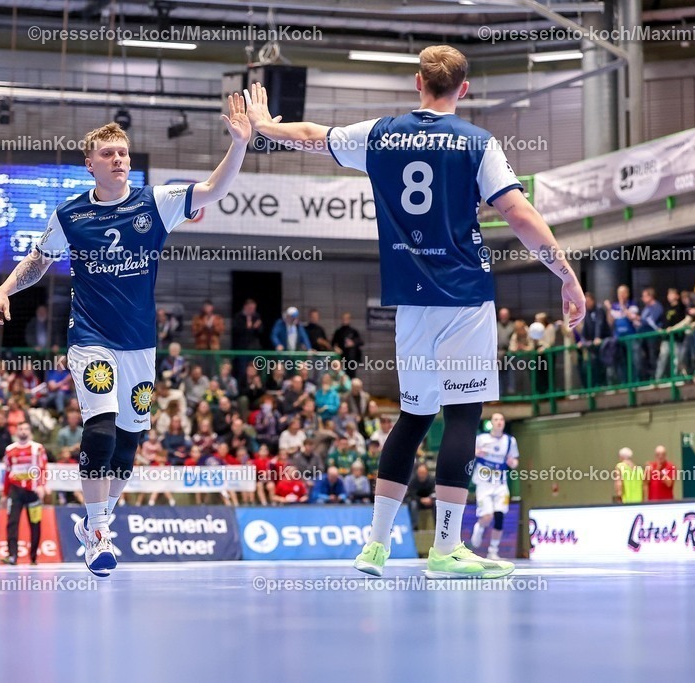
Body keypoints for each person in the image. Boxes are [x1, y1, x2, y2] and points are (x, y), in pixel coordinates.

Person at [245, 44, 584, 579]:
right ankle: (446, 549)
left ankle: (375, 546)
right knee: (463, 415)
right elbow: (519, 214)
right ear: (463, 89)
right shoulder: (477, 142)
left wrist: (266, 127)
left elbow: (313, 136)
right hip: (465, 296)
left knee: (414, 416)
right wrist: (566, 274)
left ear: (417, 83)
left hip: (410, 301)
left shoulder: (380, 134)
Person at [0, 97, 252, 576]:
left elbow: (214, 188)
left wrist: (239, 145)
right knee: (101, 427)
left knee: (129, 441)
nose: (118, 159)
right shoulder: (70, 216)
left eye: (123, 152)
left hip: (139, 344)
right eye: (107, 154)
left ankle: (98, 521)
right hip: (90, 337)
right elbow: (39, 260)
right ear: (90, 164)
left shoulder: (156, 202)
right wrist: (4, 290)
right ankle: (97, 530)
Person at [469, 413, 519, 560]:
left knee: (499, 516)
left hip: (500, 484)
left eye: (501, 419)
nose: (499, 422)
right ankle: (479, 527)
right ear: (491, 422)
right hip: (484, 483)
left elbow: (515, 461)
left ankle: (493, 550)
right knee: (487, 516)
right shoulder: (481, 439)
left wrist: (513, 463)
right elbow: (468, 453)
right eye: (496, 419)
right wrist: (476, 453)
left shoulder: (510, 441)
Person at [2, 422, 48, 565]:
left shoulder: (37, 448)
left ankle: (33, 558)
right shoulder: (9, 449)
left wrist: (42, 486)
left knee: (35, 523)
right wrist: (5, 493)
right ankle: (12, 556)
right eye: (20, 428)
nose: (23, 431)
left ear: (30, 431)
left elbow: (43, 468)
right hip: (15, 491)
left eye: (26, 429)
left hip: (33, 491)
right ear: (16, 431)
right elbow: (7, 472)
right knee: (12, 522)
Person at [330, 312, 364, 378]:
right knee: (341, 375)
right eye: (343, 319)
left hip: (351, 358)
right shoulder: (338, 331)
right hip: (341, 358)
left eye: (346, 319)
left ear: (349, 320)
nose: (345, 320)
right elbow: (332, 344)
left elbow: (361, 342)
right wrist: (335, 348)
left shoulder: (353, 331)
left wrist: (353, 342)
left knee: (351, 376)